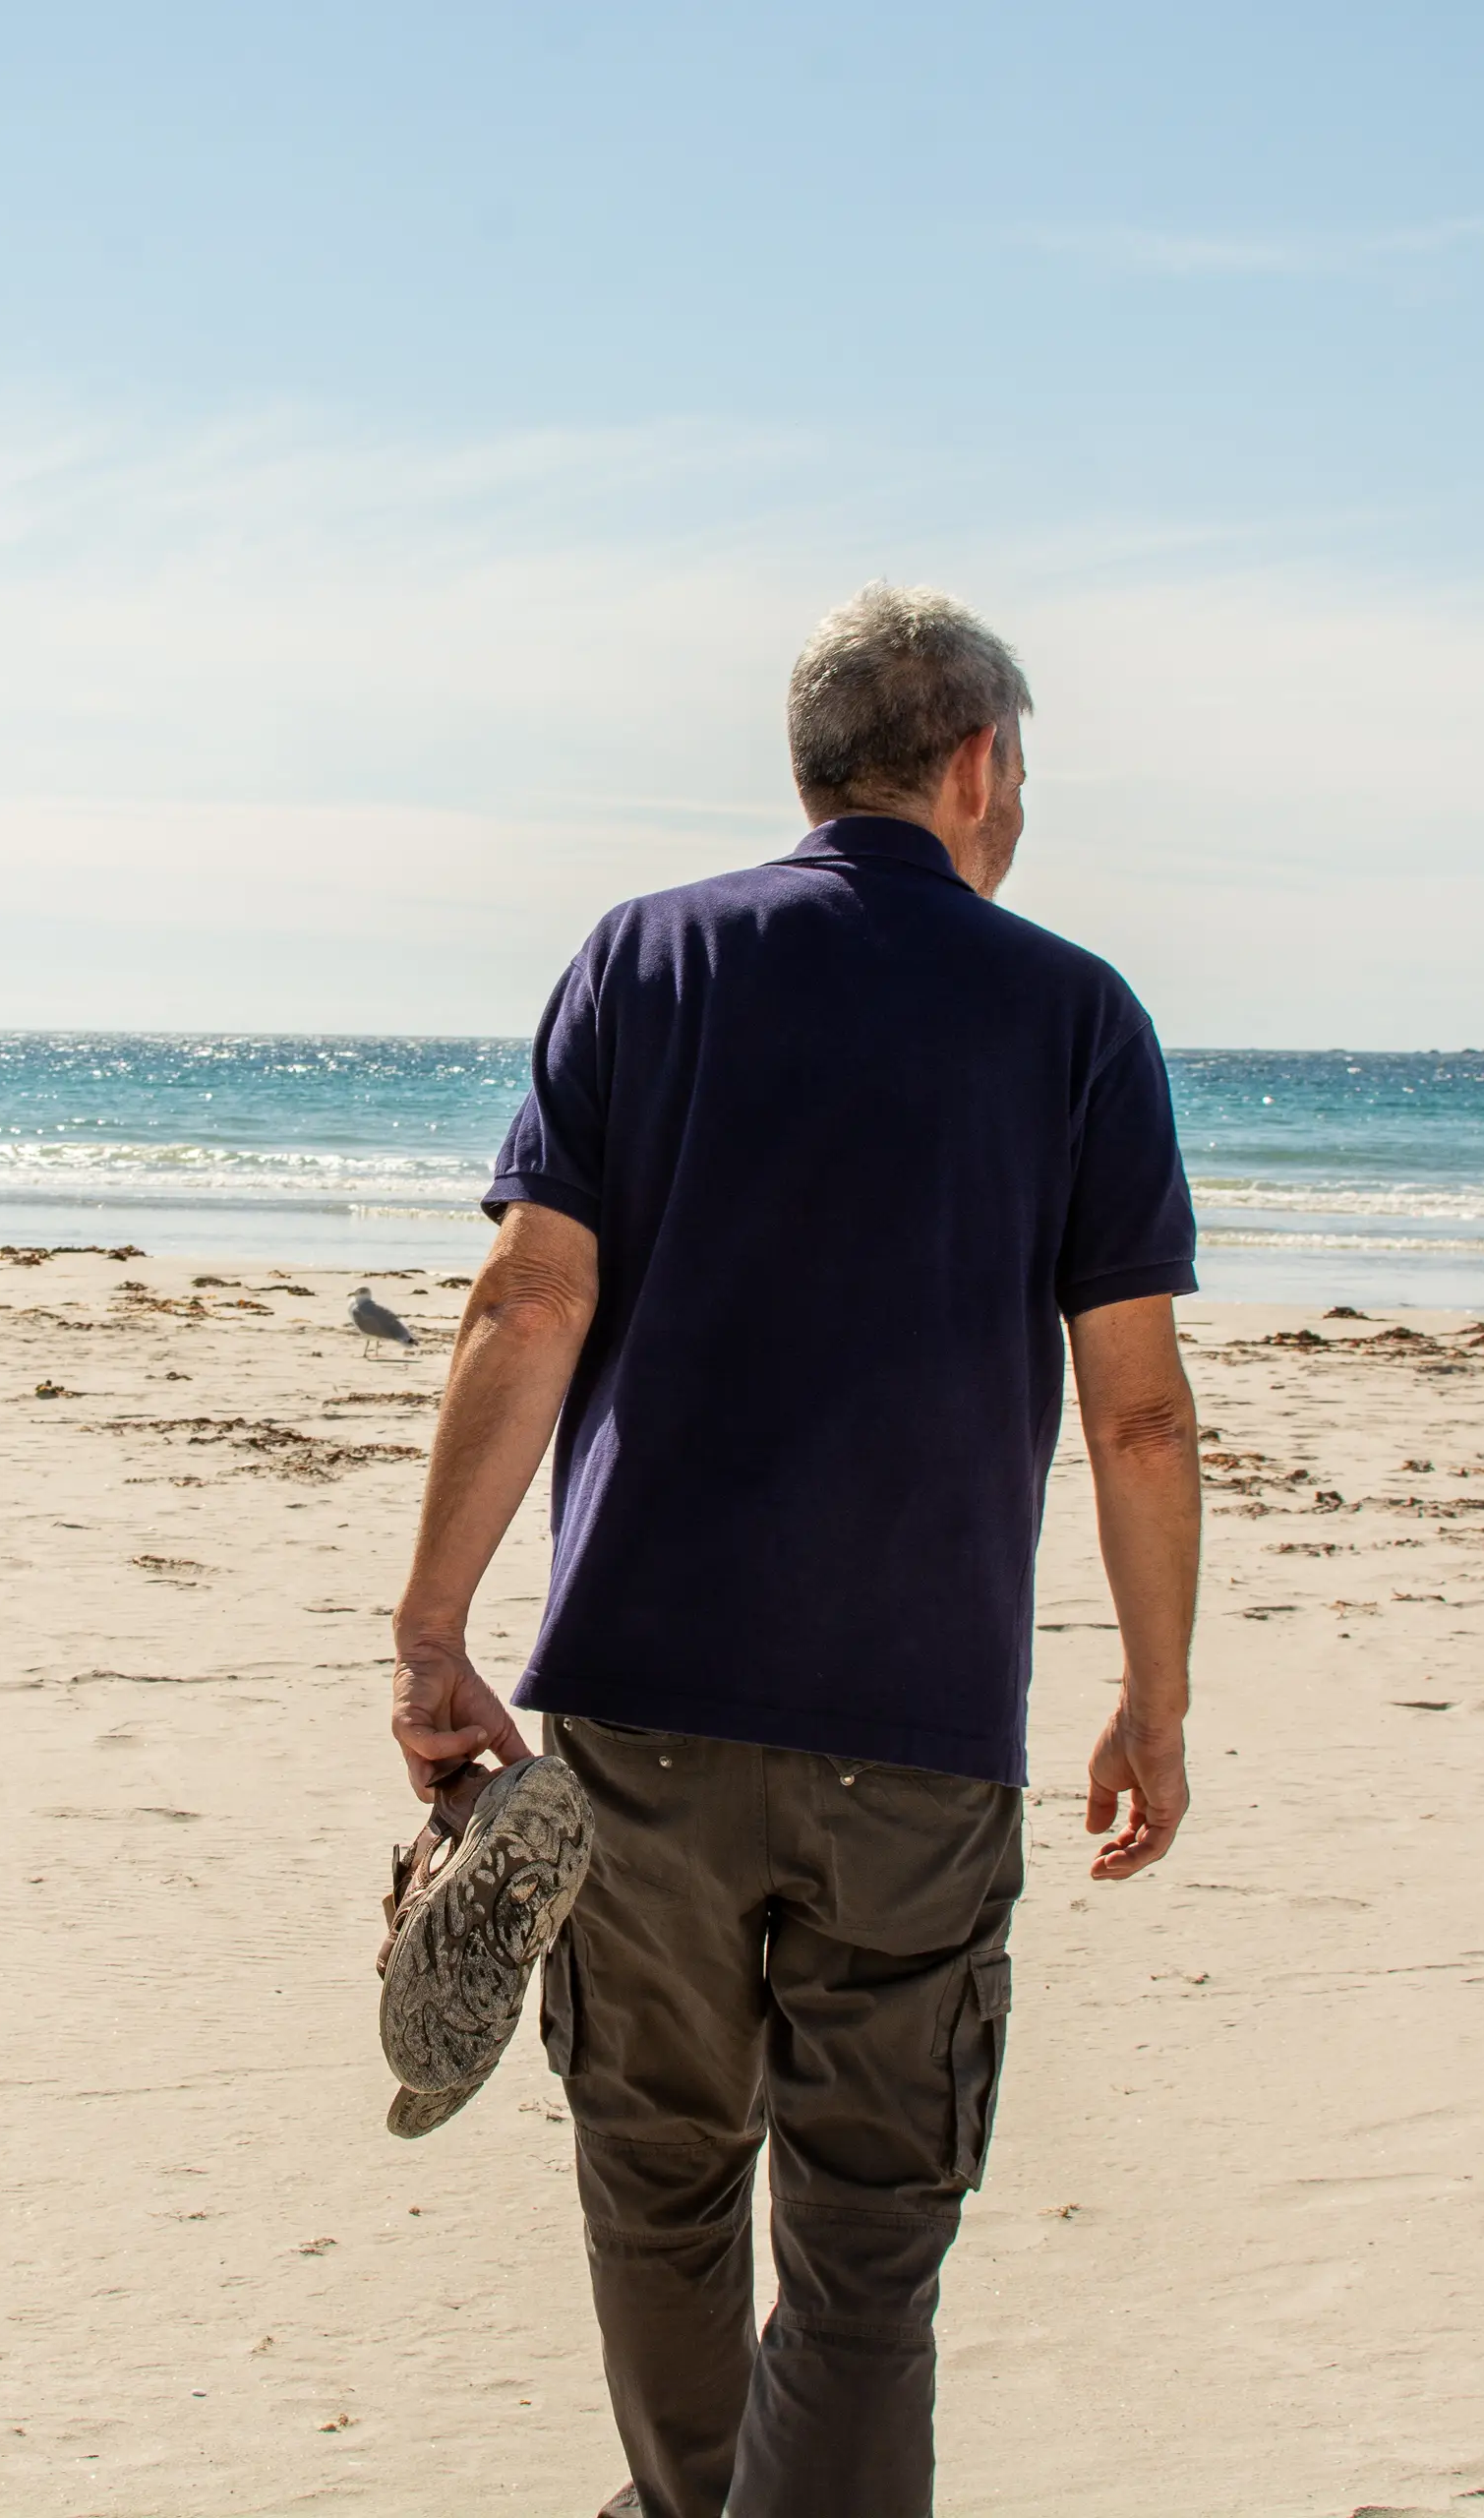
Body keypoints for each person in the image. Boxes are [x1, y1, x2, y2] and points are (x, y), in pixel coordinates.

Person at [386, 584, 1204, 2518]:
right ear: (978, 764)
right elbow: (1139, 1414)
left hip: (641, 1709)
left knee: (659, 2181)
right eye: (1024, 771)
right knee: (867, 2246)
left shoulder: (643, 961)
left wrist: (432, 1631)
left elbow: (530, 1302)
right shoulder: (1076, 1015)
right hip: (917, 1730)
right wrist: (1155, 1698)